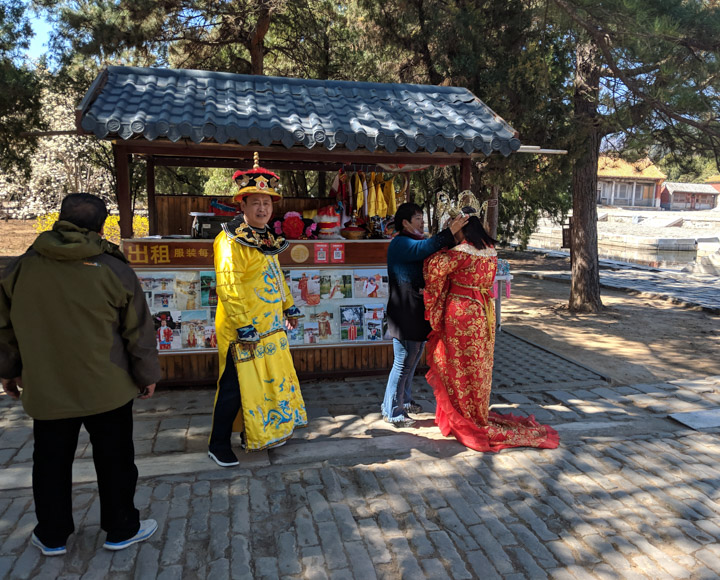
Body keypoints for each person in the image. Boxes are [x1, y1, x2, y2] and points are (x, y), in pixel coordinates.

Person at [0, 193, 161, 556]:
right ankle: (122, 528)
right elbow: (138, 331)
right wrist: (147, 374)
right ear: (101, 226)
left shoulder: (23, 267)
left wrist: (8, 372)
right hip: (108, 387)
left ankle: (52, 534)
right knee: (116, 460)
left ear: (60, 220)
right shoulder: (114, 268)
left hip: (47, 387)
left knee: (50, 463)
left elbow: (5, 328)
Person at [423, 208, 560, 451]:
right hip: (483, 312)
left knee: (457, 364)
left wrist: (442, 244)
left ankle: (463, 417)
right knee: (479, 366)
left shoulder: (461, 253)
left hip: (462, 311)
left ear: (462, 230)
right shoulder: (490, 252)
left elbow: (433, 268)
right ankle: (477, 412)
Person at [209, 155, 307, 467]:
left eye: (267, 202)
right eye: (256, 203)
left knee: (265, 380)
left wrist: (288, 305)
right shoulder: (229, 239)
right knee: (234, 386)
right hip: (243, 328)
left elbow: (275, 276)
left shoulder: (267, 238)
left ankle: (257, 431)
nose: (262, 208)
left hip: (270, 325)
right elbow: (228, 285)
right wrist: (242, 326)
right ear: (242, 205)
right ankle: (217, 443)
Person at [381, 203, 468, 427]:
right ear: (405, 223)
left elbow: (431, 251)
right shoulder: (401, 243)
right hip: (404, 311)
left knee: (412, 358)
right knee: (402, 362)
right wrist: (448, 233)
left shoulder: (415, 241)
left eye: (422, 217)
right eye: (418, 218)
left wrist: (450, 235)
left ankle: (405, 401)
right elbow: (424, 249)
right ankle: (392, 410)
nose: (422, 221)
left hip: (415, 309)